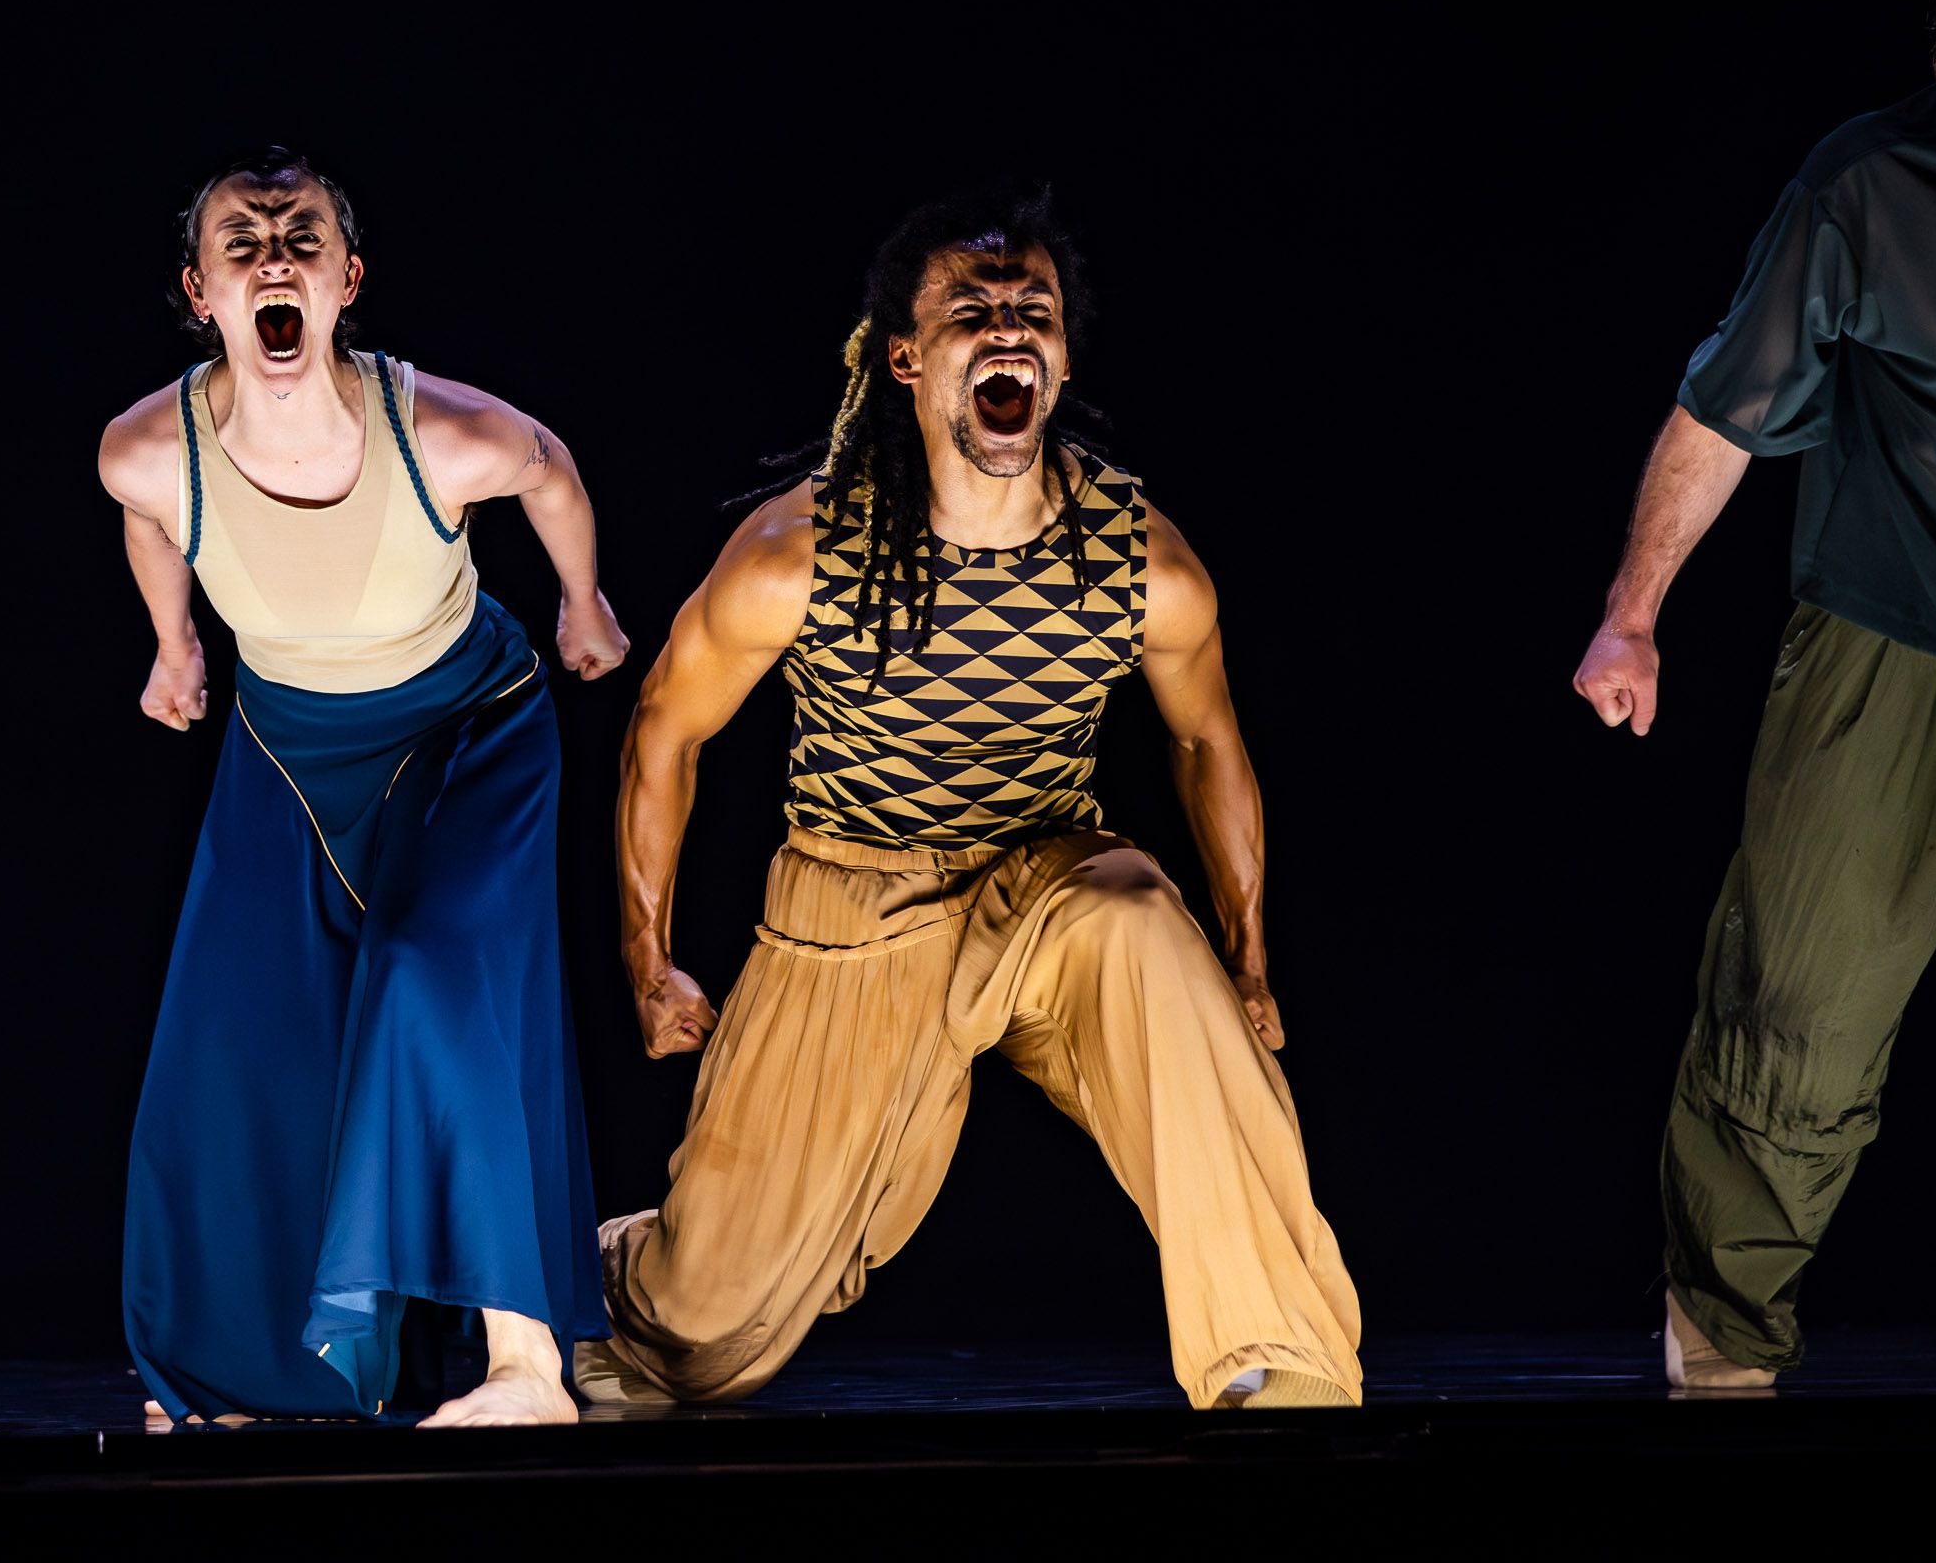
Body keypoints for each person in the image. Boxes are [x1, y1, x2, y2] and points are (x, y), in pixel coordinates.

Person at [579, 188, 1360, 1410]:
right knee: (700, 1342)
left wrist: (1249, 962)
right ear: (906, 358)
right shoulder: (801, 555)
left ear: (1057, 356)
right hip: (856, 906)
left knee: (1144, 922)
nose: (1007, 328)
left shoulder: (1135, 556)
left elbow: (1208, 747)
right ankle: (613, 1273)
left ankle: (1282, 1373)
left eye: (1030, 310)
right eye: (971, 312)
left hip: (1046, 887)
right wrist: (648, 961)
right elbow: (662, 736)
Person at [100, 148, 627, 1427]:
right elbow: (152, 522)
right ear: (199, 291)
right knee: (232, 1049)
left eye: (302, 235)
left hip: (467, 733)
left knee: (433, 987)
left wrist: (583, 602)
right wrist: (172, 643)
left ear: (347, 280)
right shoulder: (143, 452)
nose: (274, 254)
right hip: (285, 749)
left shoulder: (440, 430)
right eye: (244, 239)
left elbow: (548, 468)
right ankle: (251, 1375)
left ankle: (524, 1366)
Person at [1571, 0, 1936, 1391]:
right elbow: (1725, 404)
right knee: (1801, 1002)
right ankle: (1722, 1347)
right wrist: (1633, 609)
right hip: (1891, 625)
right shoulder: (1867, 187)